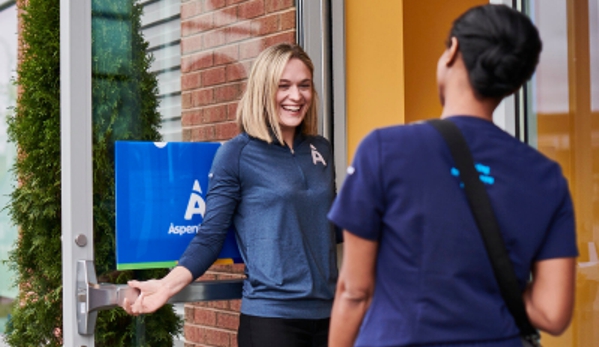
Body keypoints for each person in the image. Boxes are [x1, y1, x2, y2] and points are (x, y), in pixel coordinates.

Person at [327, 4, 577, 347]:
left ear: (453, 50)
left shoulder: (385, 150)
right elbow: (552, 312)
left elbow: (354, 291)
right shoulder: (546, 177)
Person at [122, 43, 339, 347]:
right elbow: (210, 237)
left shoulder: (321, 149)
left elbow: (332, 224)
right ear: (264, 89)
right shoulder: (237, 153)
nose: (296, 96)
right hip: (272, 321)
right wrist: (166, 286)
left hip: (331, 316)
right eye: (284, 86)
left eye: (304, 86)